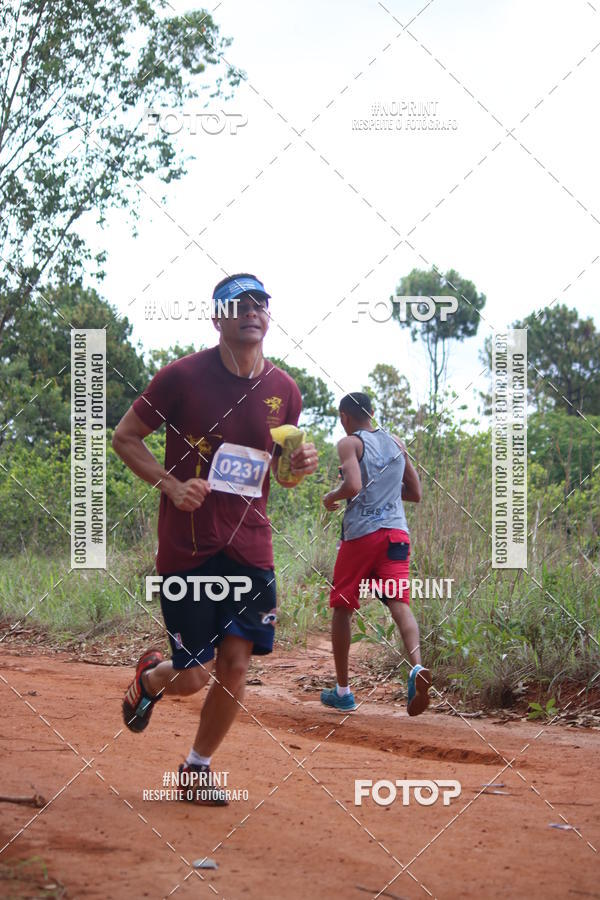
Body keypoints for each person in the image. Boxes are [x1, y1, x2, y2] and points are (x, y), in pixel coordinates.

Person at [113, 273, 318, 804]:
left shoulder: (284, 390)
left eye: (261, 304)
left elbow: (284, 474)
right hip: (189, 546)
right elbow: (125, 437)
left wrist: (299, 466)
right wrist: (170, 485)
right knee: (194, 676)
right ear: (217, 318)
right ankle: (153, 679)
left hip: (251, 544)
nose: (253, 311)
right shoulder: (182, 378)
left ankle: (197, 768)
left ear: (268, 317)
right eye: (240, 304)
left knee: (237, 662)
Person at [320, 392, 430, 715]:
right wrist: (384, 492)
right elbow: (416, 493)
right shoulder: (396, 443)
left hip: (361, 537)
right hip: (396, 534)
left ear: (345, 417)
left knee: (343, 607)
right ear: (371, 413)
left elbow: (352, 486)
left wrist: (331, 496)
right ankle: (417, 667)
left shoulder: (350, 444)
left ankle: (343, 692)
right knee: (399, 603)